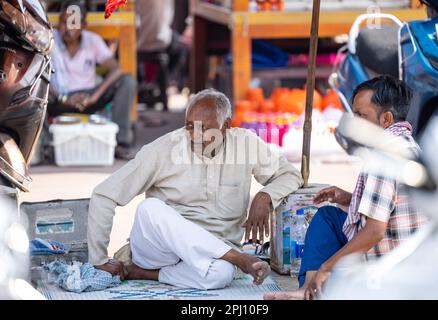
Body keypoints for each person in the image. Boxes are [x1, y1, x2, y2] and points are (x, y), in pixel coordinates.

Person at [88, 89, 303, 290]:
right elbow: (104, 195)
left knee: (222, 275)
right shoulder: (163, 149)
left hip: (211, 255)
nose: (194, 135)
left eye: (204, 128)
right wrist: (98, 260)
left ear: (226, 126)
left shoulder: (245, 144)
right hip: (160, 251)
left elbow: (291, 174)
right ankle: (238, 258)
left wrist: (266, 195)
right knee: (150, 209)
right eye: (189, 126)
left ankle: (142, 273)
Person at [265, 75, 429, 300]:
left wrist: (327, 267)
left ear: (386, 119)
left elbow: (374, 231)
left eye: (362, 116)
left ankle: (310, 289)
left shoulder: (384, 158)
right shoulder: (409, 145)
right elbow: (393, 204)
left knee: (326, 223)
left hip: (389, 266)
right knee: (329, 216)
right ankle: (309, 290)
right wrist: (348, 198)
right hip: (417, 262)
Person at [48, 0, 136, 160]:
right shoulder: (49, 40)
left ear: (84, 25)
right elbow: (39, 75)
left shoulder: (92, 40)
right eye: (63, 22)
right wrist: (65, 98)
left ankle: (121, 143)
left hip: (88, 99)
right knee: (36, 90)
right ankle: (45, 146)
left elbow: (117, 69)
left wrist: (94, 97)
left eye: (73, 22)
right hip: (60, 99)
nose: (67, 28)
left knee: (127, 82)